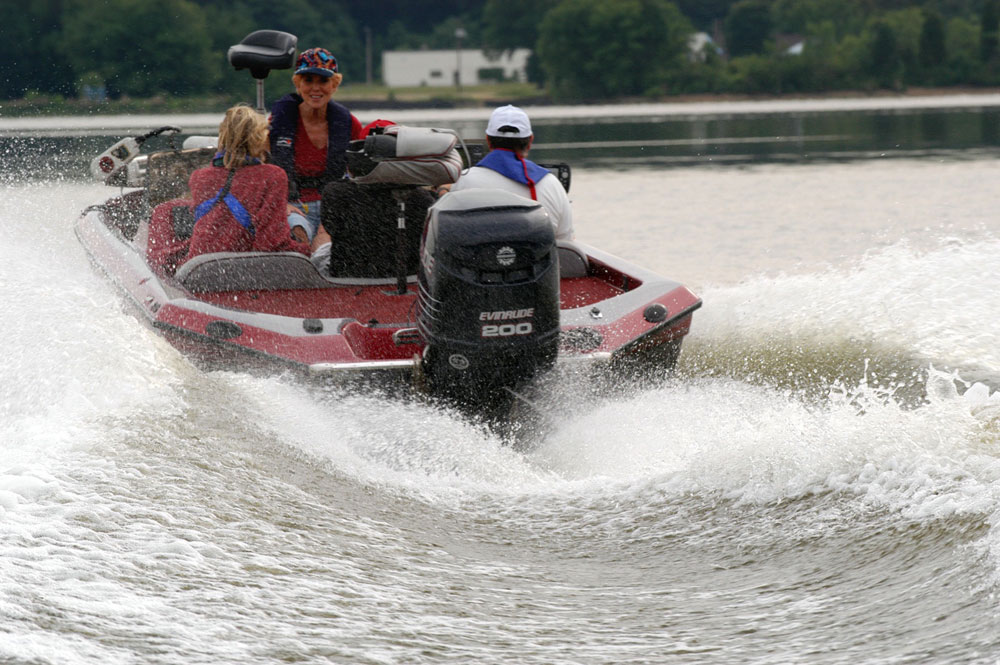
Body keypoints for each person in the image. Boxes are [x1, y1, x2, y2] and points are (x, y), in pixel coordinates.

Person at [309, 120, 436, 279]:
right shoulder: (422, 198)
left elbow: (331, 228)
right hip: (408, 279)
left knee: (322, 236)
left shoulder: (336, 193)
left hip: (347, 279)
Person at [184, 105, 309, 263]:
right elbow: (271, 243)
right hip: (244, 266)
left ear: (223, 135)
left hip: (200, 264)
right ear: (259, 138)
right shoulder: (272, 175)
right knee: (299, 223)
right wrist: (307, 250)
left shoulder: (199, 177)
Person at [269, 47, 364, 244]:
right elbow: (260, 166)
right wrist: (280, 203)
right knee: (298, 234)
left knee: (325, 243)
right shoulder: (279, 121)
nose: (315, 88)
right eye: (308, 80)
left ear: (334, 84)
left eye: (323, 81)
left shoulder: (348, 123)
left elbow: (364, 167)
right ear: (298, 84)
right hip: (291, 204)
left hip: (334, 204)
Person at [450, 104, 574, 241]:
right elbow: (566, 243)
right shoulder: (550, 183)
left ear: (488, 140)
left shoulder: (463, 181)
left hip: (480, 261)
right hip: (536, 262)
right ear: (530, 141)